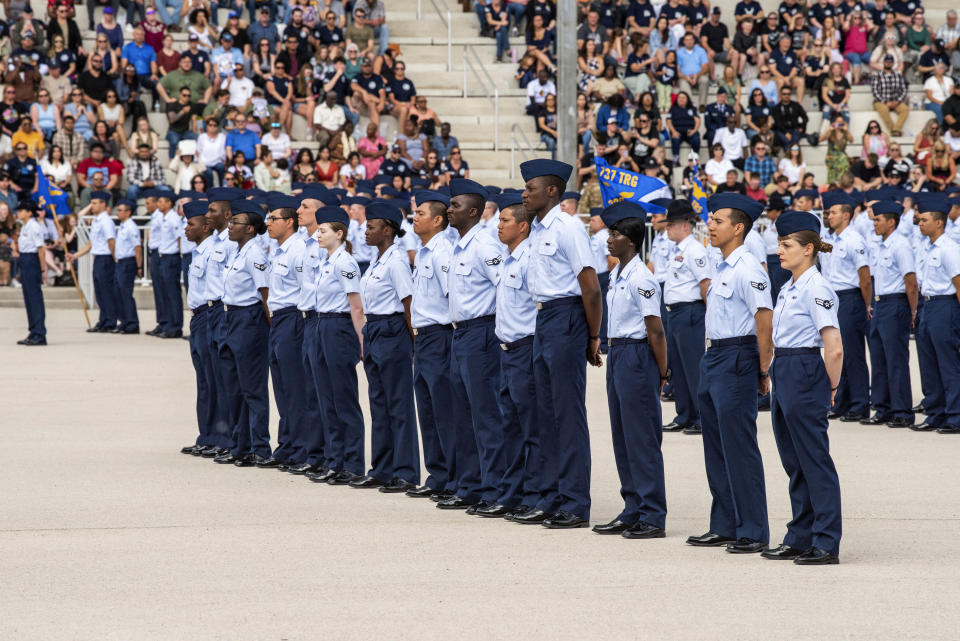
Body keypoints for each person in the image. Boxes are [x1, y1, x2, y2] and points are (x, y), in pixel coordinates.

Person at [509, 159, 601, 529]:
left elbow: (590, 285)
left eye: (530, 188)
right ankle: (550, 497)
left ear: (551, 191)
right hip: (544, 318)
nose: (523, 193)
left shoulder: (567, 227)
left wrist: (593, 335)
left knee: (566, 414)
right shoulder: (536, 231)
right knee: (544, 415)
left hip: (566, 317)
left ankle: (575, 503)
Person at [687, 193, 772, 554]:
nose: (710, 224)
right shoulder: (721, 266)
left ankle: (752, 528)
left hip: (737, 355)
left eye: (718, 220)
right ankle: (724, 523)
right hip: (714, 355)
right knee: (716, 446)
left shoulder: (748, 268)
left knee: (739, 446)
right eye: (710, 219)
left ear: (738, 228)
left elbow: (764, 318)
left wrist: (763, 367)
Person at [762, 210, 844, 565]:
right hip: (786, 367)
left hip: (805, 368)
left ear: (808, 249)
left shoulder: (817, 287)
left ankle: (825, 541)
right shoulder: (789, 287)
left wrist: (829, 387)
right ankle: (800, 535)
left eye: (787, 245)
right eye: (779, 244)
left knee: (814, 460)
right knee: (794, 461)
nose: (780, 251)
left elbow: (834, 345)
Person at [588, 200, 669, 538]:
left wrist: (662, 372)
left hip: (638, 354)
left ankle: (652, 514)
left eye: (616, 234)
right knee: (622, 435)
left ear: (632, 242)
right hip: (619, 352)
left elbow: (656, 329)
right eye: (610, 232)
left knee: (641, 437)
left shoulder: (642, 278)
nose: (610, 238)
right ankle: (632, 507)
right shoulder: (617, 274)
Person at [433, 179, 504, 512]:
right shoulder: (459, 245)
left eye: (456, 205)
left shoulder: (485, 246)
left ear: (474, 211)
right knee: (461, 414)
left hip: (482, 333)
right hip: (459, 333)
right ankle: (470, 485)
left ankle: (494, 489)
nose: (449, 209)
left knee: (485, 416)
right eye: (449, 204)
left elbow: (504, 290)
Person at [351, 201, 419, 490]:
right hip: (376, 328)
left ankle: (405, 472)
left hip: (393, 330)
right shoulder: (378, 261)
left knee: (398, 404)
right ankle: (382, 468)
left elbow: (408, 304)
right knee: (379, 404)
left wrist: (412, 344)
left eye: (371, 227)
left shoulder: (397, 261)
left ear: (388, 230)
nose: (366, 232)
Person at [483, 191, 541, 517]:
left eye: (504, 220)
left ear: (522, 226)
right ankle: (513, 493)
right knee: (511, 428)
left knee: (531, 427)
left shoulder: (530, 259)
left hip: (525, 348)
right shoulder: (509, 259)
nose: (498, 226)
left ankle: (534, 496)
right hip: (506, 350)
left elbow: (538, 309)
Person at [304, 202, 366, 484]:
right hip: (321, 324)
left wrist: (362, 342)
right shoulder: (325, 262)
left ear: (339, 234)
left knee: (344, 399)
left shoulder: (345, 263)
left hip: (339, 327)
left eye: (323, 230)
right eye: (317, 230)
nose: (317, 234)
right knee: (326, 397)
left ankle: (352, 464)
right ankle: (334, 460)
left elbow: (356, 307)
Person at [406, 190, 459, 500]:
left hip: (440, 335)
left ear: (438, 220)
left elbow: (453, 294)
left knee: (444, 410)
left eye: (421, 213)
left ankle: (453, 477)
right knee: (427, 409)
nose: (415, 217)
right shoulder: (425, 251)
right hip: (424, 337)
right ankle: (437, 475)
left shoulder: (442, 253)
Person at [214, 199, 271, 466]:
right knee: (233, 387)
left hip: (249, 318)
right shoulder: (238, 252)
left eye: (235, 222)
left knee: (252, 387)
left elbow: (265, 294)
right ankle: (239, 444)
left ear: (250, 229)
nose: (230, 226)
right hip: (231, 316)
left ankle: (259, 446)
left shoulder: (256, 254)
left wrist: (266, 327)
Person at [861, 200, 917, 427]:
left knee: (895, 359)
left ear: (891, 222)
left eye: (878, 220)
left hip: (895, 303)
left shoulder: (900, 245)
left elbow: (910, 282)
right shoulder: (879, 244)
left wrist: (912, 310)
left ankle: (902, 411)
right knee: (878, 358)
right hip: (880, 303)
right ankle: (882, 408)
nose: (874, 223)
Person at [820, 191, 872, 422]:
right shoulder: (831, 240)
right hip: (833, 299)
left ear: (847, 215)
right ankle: (841, 401)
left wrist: (867, 304)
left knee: (853, 354)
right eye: (828, 212)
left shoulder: (854, 240)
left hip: (850, 298)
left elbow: (864, 276)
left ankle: (859, 403)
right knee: (836, 352)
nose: (828, 216)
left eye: (833, 212)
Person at [911, 194, 960, 434]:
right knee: (928, 363)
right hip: (928, 305)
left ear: (939, 222)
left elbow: (959, 284)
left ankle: (955, 415)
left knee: (948, 363)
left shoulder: (949, 249)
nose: (920, 223)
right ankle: (936, 413)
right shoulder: (926, 247)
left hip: (945, 305)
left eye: (924, 220)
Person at [661, 200, 710, 435]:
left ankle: (701, 415)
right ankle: (685, 414)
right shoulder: (678, 250)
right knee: (678, 368)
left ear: (685, 226)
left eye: (671, 224)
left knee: (693, 367)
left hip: (691, 313)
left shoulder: (695, 250)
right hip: (675, 314)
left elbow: (705, 284)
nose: (667, 228)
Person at [180, 199, 218, 455]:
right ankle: (206, 435)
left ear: (205, 227)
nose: (186, 228)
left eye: (190, 224)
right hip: (197, 317)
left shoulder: (214, 251)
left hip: (209, 315)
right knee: (203, 380)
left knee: (214, 380)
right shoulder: (198, 251)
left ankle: (219, 437)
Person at [68, 191, 119, 332]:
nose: (92, 206)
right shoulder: (96, 220)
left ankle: (110, 321)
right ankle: (103, 320)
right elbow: (91, 243)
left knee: (106, 291)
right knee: (100, 292)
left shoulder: (106, 221)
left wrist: (114, 258)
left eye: (95, 203)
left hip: (106, 258)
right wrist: (75, 256)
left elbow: (111, 241)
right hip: (98, 258)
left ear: (103, 204)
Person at [15, 202, 46, 345]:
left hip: (32, 260)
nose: (18, 213)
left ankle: (39, 333)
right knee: (28, 297)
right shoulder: (25, 226)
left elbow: (41, 249)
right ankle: (33, 330)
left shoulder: (34, 227)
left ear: (29, 212)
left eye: (21, 210)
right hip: (25, 259)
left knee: (34, 297)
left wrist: (42, 269)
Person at [155, 191, 183, 338]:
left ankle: (175, 326)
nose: (158, 204)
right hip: (163, 256)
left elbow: (179, 239)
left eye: (161, 201)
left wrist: (178, 255)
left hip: (171, 257)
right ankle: (168, 324)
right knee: (165, 292)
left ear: (169, 203)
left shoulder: (173, 218)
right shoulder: (164, 217)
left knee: (172, 293)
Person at [113, 198, 142, 335]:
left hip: (128, 262)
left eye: (120, 210)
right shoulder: (123, 225)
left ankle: (132, 323)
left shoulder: (131, 227)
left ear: (128, 212)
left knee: (126, 293)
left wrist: (139, 266)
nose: (118, 212)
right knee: (118, 293)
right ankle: (124, 321)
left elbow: (137, 247)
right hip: (120, 262)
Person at [872, 54, 909, 136]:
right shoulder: (877, 76)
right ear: (883, 62)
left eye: (890, 62)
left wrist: (898, 101)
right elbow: (875, 91)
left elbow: (903, 90)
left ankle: (896, 129)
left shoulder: (898, 75)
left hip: (895, 101)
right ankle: (893, 130)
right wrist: (885, 102)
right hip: (880, 101)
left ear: (893, 63)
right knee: (884, 109)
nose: (888, 63)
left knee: (905, 109)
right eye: (887, 61)